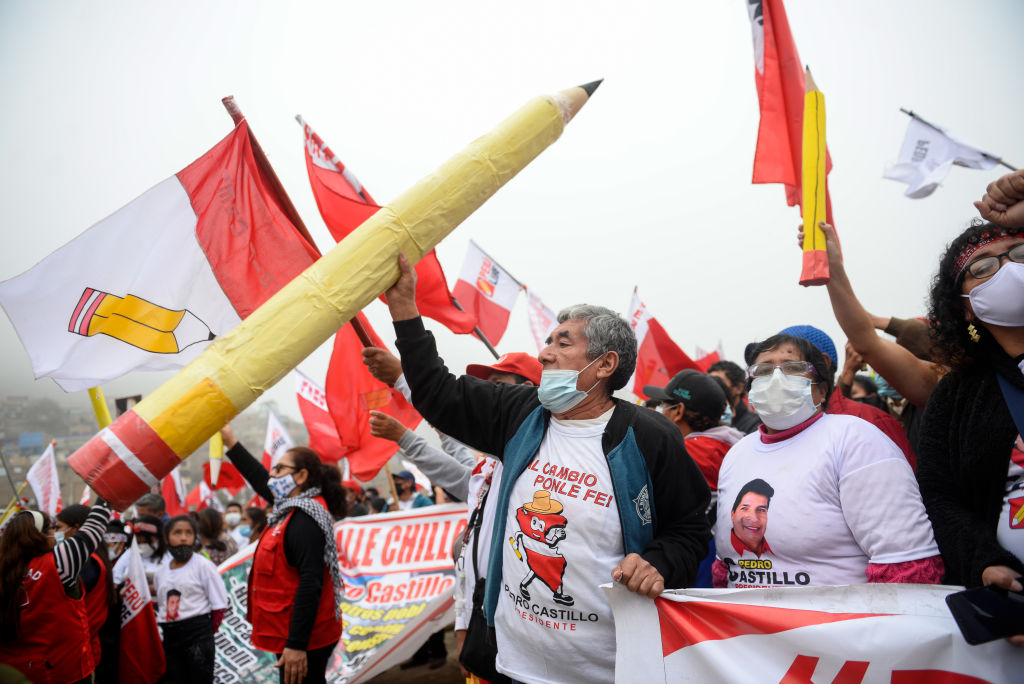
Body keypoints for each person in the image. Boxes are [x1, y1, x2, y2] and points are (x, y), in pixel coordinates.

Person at [383, 254, 710, 684]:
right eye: (549, 341)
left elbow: (689, 532)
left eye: (562, 343)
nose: (545, 353)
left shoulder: (649, 437)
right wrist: (404, 310)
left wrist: (658, 562)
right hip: (513, 665)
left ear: (605, 365)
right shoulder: (520, 412)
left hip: (608, 668)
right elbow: (438, 393)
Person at [714, 334, 943, 589]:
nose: (776, 378)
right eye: (764, 370)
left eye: (793, 368)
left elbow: (904, 566)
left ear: (821, 390)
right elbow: (726, 565)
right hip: (748, 626)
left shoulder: (856, 440)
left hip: (840, 625)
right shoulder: (737, 453)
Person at [364, 347, 542, 675]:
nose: (489, 396)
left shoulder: (535, 467)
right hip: (481, 626)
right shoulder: (490, 467)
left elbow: (455, 461)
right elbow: (460, 463)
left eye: (499, 386)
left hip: (520, 635)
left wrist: (404, 383)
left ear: (528, 393)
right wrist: (463, 632)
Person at [916, 168, 1024, 647]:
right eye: (983, 267)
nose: (1008, 268)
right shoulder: (958, 395)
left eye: (1019, 253)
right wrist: (984, 562)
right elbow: (940, 495)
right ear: (965, 306)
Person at [221, 426, 347, 684]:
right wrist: (231, 443)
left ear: (301, 476)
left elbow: (310, 584)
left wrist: (297, 646)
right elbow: (260, 480)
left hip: (304, 640)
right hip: (292, 633)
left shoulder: (305, 519)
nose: (271, 477)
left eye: (278, 470)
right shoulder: (292, 507)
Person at [644, 369, 744, 588]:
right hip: (715, 557)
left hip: (688, 560)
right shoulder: (733, 447)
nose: (660, 411)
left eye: (663, 405)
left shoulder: (688, 452)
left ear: (678, 410)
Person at [774, 324, 918, 468]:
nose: (774, 377)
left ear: (823, 363)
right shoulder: (767, 432)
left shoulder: (871, 422)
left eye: (790, 366)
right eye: (765, 368)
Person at [0, 500, 112, 683]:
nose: (56, 534)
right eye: (53, 528)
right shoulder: (58, 563)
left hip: (12, 672)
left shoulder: (4, 570)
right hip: (60, 671)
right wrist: (106, 498)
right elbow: (93, 528)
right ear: (39, 535)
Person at [153, 515, 229, 683]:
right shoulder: (161, 571)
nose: (183, 538)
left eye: (188, 533)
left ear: (195, 537)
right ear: (167, 538)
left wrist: (206, 634)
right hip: (170, 636)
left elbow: (219, 604)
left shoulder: (202, 565)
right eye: (177, 533)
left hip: (197, 635)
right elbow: (161, 603)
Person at [55, 505, 116, 674]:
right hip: (81, 648)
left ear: (76, 529)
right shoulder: (93, 559)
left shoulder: (86, 563)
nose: (54, 533)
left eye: (58, 527)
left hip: (78, 652)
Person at [708, 360, 762, 434]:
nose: (712, 388)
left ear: (739, 388)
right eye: (709, 382)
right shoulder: (703, 422)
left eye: (719, 382)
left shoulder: (755, 426)